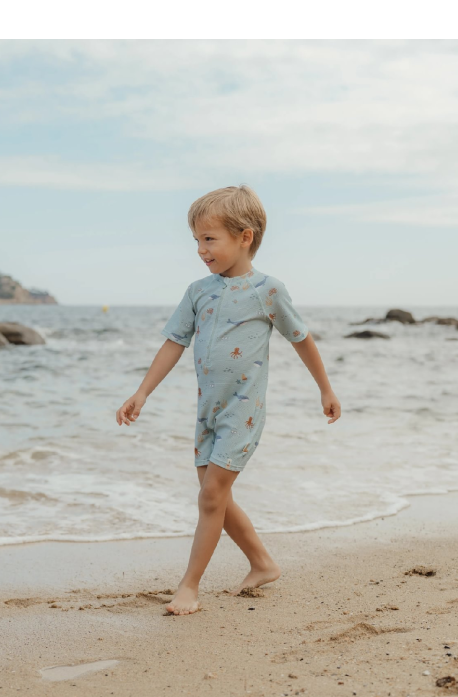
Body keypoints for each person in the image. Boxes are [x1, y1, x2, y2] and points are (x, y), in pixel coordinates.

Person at [116, 186, 341, 615]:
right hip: (208, 411)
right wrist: (142, 392)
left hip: (243, 411)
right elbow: (174, 342)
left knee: (210, 497)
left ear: (244, 237)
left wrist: (325, 389)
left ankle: (189, 587)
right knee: (214, 496)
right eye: (196, 240)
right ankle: (262, 563)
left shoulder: (268, 290)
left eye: (209, 239)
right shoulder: (198, 291)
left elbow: (302, 339)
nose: (200, 250)